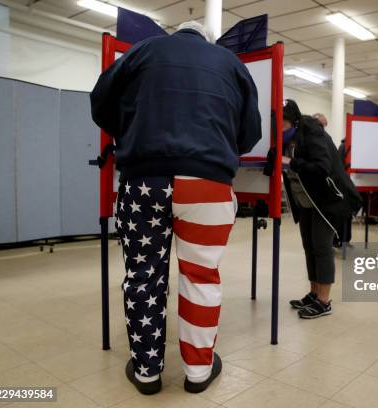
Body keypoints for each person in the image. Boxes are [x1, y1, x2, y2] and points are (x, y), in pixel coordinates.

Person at [90, 21, 261, 395]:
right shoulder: (232, 64)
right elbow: (250, 133)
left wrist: (134, 129)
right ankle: (198, 372)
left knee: (142, 277)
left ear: (175, 35)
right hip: (208, 184)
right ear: (208, 41)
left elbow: (100, 100)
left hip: (142, 180)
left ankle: (146, 371)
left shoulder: (143, 50)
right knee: (201, 275)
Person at [282, 100, 361, 318]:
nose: (279, 128)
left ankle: (324, 301)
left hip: (329, 200)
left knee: (321, 247)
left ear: (294, 121)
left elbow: (322, 167)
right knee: (309, 246)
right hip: (307, 200)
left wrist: (290, 162)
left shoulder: (312, 134)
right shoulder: (285, 137)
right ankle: (314, 294)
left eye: (283, 123)